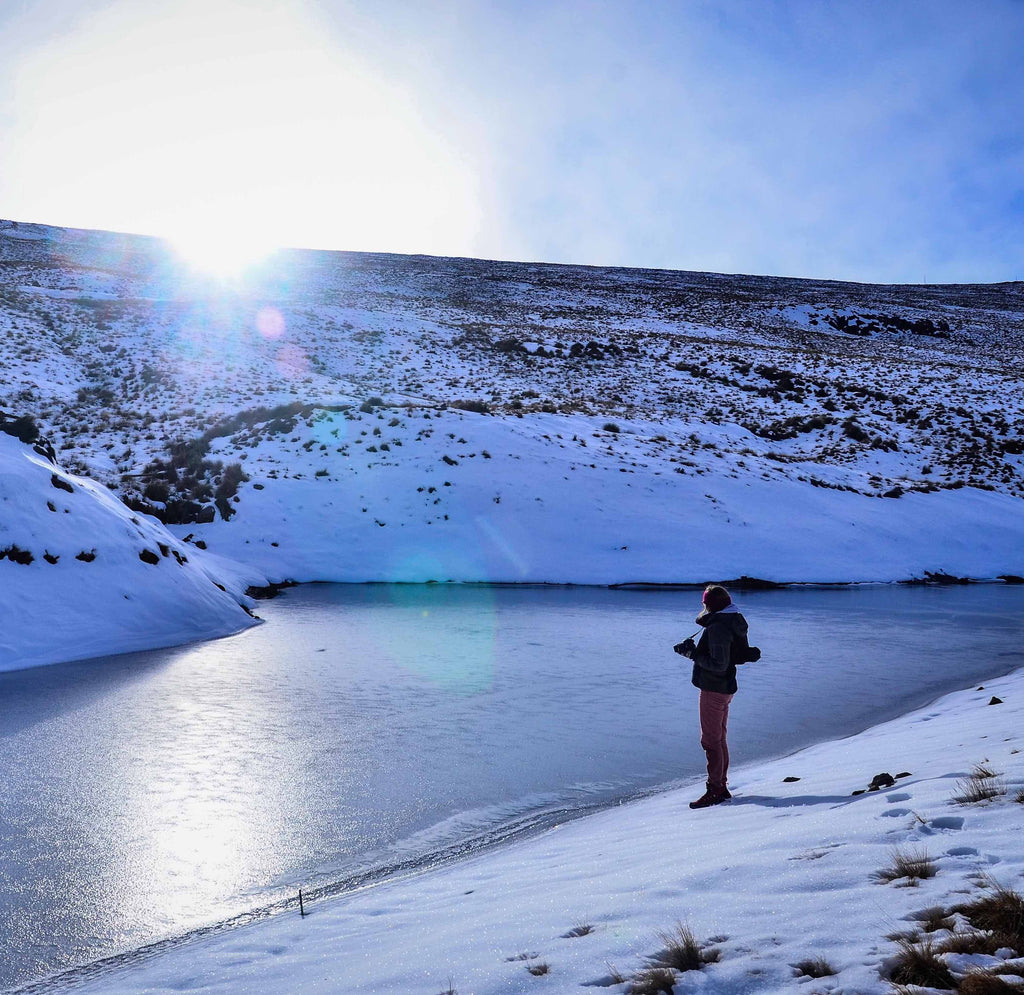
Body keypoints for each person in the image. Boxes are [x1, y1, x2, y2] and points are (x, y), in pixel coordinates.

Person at [674, 584, 754, 809]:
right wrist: (696, 652)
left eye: (705, 603)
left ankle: (715, 789)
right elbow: (728, 657)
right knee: (718, 739)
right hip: (725, 687)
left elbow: (718, 664)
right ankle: (721, 786)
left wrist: (692, 654)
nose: (703, 607)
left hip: (714, 688)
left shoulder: (718, 626)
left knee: (710, 741)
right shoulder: (731, 620)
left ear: (711, 605)